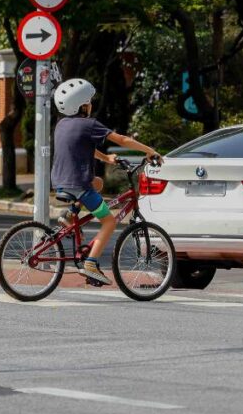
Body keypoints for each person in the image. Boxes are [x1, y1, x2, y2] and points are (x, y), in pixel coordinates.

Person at [51, 78, 162, 284]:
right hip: (79, 185)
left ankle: (70, 213)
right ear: (82, 105)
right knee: (109, 221)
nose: (91, 104)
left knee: (98, 183)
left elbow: (83, 147)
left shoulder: (62, 125)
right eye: (89, 101)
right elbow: (121, 140)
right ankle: (91, 263)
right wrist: (150, 150)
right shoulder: (89, 124)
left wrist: (106, 158)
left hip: (60, 180)